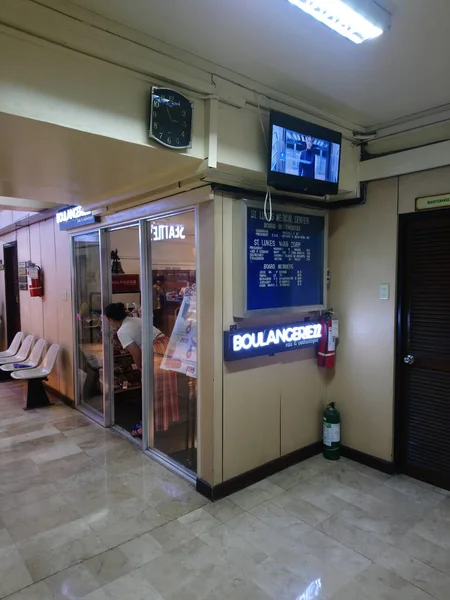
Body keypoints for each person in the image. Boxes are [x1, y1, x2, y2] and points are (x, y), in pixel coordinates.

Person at [104, 302, 179, 436]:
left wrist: (140, 367)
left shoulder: (122, 331)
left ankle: (149, 424)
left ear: (110, 319)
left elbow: (135, 352)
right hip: (165, 345)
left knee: (152, 388)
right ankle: (163, 420)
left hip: (154, 350)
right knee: (163, 386)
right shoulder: (134, 320)